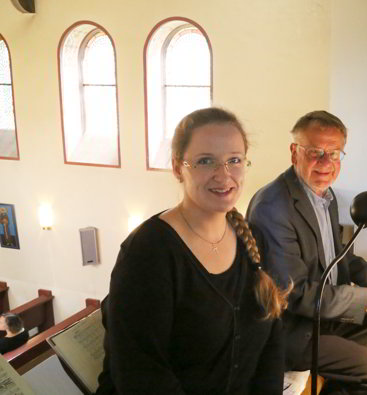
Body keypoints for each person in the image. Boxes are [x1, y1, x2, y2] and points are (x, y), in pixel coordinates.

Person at [96, 107, 289, 394]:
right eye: (205, 161)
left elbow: (270, 349)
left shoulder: (253, 239)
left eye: (234, 160)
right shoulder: (148, 253)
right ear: (177, 168)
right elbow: (142, 376)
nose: (223, 176)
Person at [247, 110, 367, 395]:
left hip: (326, 319)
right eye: (315, 152)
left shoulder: (325, 195)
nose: (325, 163)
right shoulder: (273, 208)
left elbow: (340, 258)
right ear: (294, 153)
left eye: (334, 154)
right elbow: (295, 293)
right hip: (294, 331)